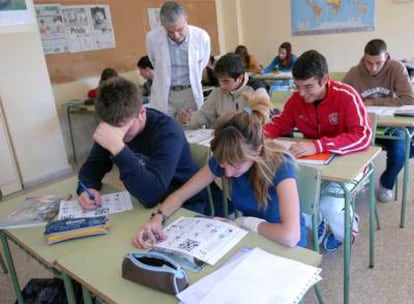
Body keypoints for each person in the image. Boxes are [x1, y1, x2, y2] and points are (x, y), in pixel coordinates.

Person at [133, 92, 307, 249]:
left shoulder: (281, 165)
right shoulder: (226, 159)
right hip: (253, 239)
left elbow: (290, 236)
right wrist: (157, 219)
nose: (228, 173)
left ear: (258, 151)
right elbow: (180, 195)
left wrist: (243, 222)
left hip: (287, 248)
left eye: (236, 165)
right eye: (223, 165)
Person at [264, 50, 372, 252]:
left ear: (325, 79)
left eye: (308, 87)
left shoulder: (346, 96)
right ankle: (320, 222)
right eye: (297, 87)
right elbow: (279, 124)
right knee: (294, 199)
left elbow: (363, 136)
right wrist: (255, 136)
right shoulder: (296, 101)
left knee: (327, 206)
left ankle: (348, 227)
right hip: (315, 166)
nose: (302, 94)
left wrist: (318, 145)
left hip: (351, 164)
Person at [77, 77, 207, 213]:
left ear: (142, 113)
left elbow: (152, 196)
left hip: (184, 205)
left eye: (124, 127)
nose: (119, 135)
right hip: (143, 202)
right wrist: (87, 187)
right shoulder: (113, 123)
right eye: (112, 129)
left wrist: (118, 148)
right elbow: (90, 169)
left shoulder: (168, 133)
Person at [342, 39, 414, 202]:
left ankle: (386, 184)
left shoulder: (396, 68)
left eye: (378, 63)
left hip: (390, 126)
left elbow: (409, 99)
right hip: (364, 127)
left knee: (400, 151)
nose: (373, 68)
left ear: (386, 57)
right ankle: (355, 180)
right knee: (344, 145)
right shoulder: (354, 72)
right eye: (369, 63)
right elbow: (340, 98)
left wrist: (373, 102)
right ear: (364, 58)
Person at [146, 1, 211, 118]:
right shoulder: (152, 38)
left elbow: (203, 62)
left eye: (180, 29)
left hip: (190, 92)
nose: (176, 35)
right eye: (170, 31)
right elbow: (154, 62)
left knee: (193, 130)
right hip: (166, 93)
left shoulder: (201, 37)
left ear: (186, 19)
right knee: (165, 130)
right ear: (162, 25)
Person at [177, 53, 268, 129]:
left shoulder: (256, 90)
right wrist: (189, 118)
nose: (221, 86)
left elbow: (262, 120)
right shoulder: (218, 91)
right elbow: (205, 115)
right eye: (219, 80)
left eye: (226, 81)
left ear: (240, 78)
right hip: (223, 138)